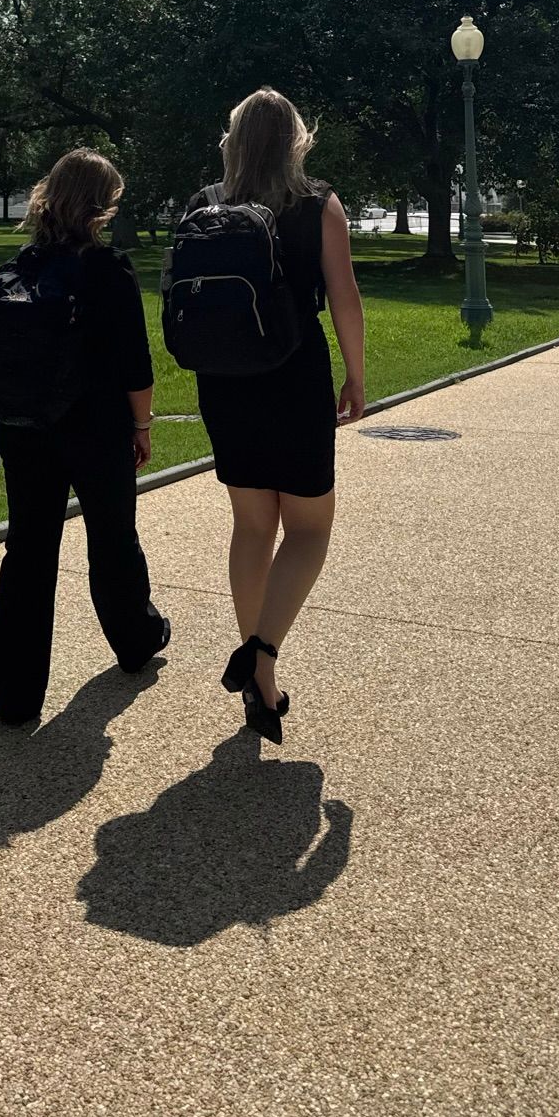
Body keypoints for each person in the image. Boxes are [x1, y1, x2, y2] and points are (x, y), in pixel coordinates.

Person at [188, 89, 365, 742]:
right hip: (293, 377)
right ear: (296, 139)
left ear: (233, 139)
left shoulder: (206, 203)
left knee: (251, 527)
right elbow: (344, 299)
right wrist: (356, 375)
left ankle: (259, 685)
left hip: (225, 382)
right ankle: (261, 652)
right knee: (311, 530)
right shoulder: (317, 203)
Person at [0, 149, 171, 726]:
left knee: (28, 551)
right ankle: (135, 639)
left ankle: (14, 692)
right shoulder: (109, 269)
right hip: (95, 426)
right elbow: (135, 365)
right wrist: (142, 426)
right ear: (102, 204)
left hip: (23, 429)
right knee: (112, 539)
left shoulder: (19, 267)